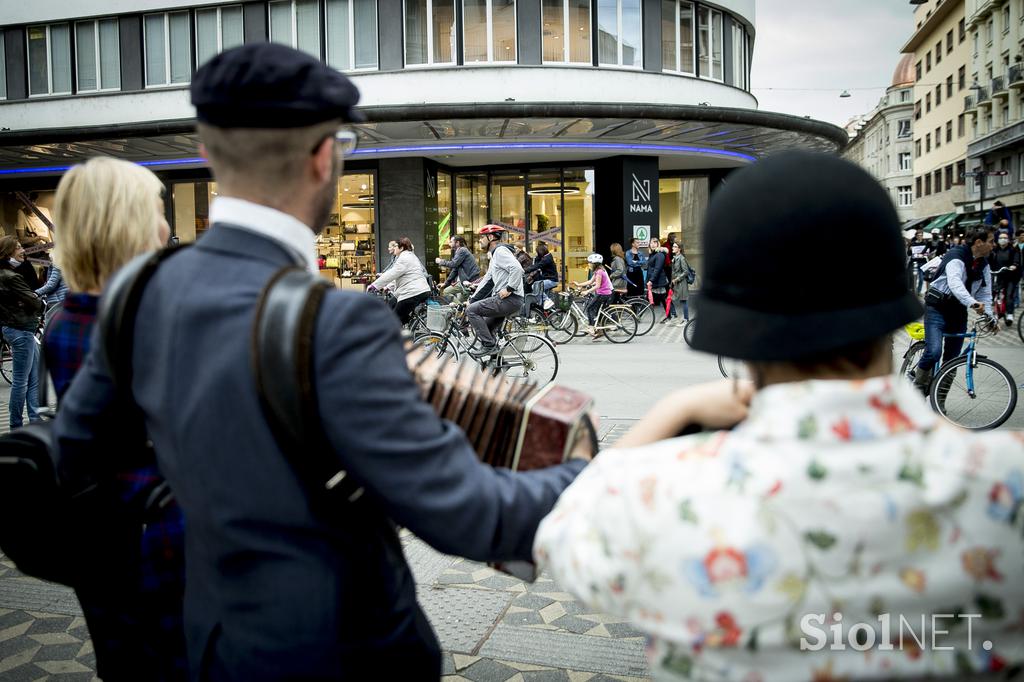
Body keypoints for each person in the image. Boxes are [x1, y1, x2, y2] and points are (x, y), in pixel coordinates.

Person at [54, 43, 590, 680]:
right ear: (323, 156)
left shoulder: (137, 292)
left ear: (206, 153)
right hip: (342, 653)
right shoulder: (337, 323)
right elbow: (470, 515)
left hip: (214, 640)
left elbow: (78, 458)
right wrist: (585, 465)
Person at [535, 151, 1024, 680]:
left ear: (739, 329)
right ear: (891, 302)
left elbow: (559, 528)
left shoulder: (657, 497)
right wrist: (938, 435)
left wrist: (672, 410)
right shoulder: (1007, 482)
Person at [44, 156, 184, 680]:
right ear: (127, 225)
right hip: (165, 546)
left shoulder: (66, 318)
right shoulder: (149, 321)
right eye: (156, 211)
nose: (167, 226)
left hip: (101, 545)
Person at [913, 227, 995, 393]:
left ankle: (939, 401)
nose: (993, 245)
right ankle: (918, 389)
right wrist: (972, 303)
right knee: (934, 352)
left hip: (958, 312)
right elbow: (955, 284)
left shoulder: (984, 264)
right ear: (979, 242)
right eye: (991, 241)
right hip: (937, 308)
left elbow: (985, 294)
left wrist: (990, 317)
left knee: (952, 361)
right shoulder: (956, 257)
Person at [0, 236, 43, 429]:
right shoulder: (11, 277)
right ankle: (16, 425)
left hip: (19, 328)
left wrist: (28, 299)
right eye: (17, 247)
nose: (22, 250)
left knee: (32, 379)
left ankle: (34, 419)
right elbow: (35, 301)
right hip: (21, 329)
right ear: (8, 252)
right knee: (21, 382)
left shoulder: (5, 274)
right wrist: (34, 300)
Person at [465, 224, 525, 355]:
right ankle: (497, 363)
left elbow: (517, 269)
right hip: (510, 300)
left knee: (471, 311)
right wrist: (473, 298)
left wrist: (509, 288)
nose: (479, 240)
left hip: (509, 299)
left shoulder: (500, 251)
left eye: (482, 237)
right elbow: (488, 280)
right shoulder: (495, 254)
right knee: (487, 328)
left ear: (490, 237)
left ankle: (489, 346)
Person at [368, 236, 430, 325]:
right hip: (414, 290)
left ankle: (399, 336)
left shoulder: (404, 258)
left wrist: (374, 285)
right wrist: (389, 287)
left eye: (396, 246)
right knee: (391, 305)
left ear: (401, 248)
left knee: (394, 319)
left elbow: (392, 274)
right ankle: (406, 331)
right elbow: (399, 275)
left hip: (413, 292)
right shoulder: (409, 256)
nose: (394, 248)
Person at [574, 253, 613, 337]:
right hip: (603, 293)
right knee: (595, 311)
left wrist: (587, 291)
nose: (589, 264)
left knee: (589, 308)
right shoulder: (598, 271)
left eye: (590, 263)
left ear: (594, 264)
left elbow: (597, 285)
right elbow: (590, 282)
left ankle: (591, 328)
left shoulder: (599, 272)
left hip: (603, 294)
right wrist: (579, 285)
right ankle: (599, 329)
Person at [988, 230, 1021, 325]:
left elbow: (1016, 260)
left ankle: (1010, 313)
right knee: (994, 295)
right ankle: (997, 312)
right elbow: (989, 260)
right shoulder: (994, 250)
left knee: (1009, 295)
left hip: (1010, 276)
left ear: (1008, 239)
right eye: (1001, 238)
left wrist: (1014, 265)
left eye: (1005, 238)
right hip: (998, 276)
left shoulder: (1013, 249)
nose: (1003, 240)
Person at [436, 235, 480, 302]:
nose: (449, 243)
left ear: (457, 243)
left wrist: (441, 261)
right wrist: (445, 283)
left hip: (469, 282)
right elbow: (455, 270)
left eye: (451, 242)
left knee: (448, 294)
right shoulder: (459, 251)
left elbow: (453, 264)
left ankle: (460, 308)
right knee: (446, 292)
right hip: (463, 282)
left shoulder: (462, 250)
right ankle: (460, 308)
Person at [523, 241, 558, 310]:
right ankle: (539, 314)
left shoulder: (547, 259)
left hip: (552, 280)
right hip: (547, 279)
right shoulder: (546, 256)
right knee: (540, 300)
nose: (537, 254)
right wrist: (537, 257)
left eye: (537, 252)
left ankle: (547, 300)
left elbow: (537, 266)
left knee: (535, 286)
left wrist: (524, 270)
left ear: (541, 252)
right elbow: (537, 263)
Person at [646, 237, 670, 323]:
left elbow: (657, 269)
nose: (652, 244)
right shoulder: (653, 254)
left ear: (658, 244)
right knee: (662, 299)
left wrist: (651, 280)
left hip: (659, 280)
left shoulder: (659, 254)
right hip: (656, 280)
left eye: (655, 243)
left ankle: (670, 315)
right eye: (651, 243)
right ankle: (670, 315)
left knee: (663, 298)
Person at [669, 241, 691, 325]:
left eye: (675, 247)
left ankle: (686, 320)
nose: (672, 248)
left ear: (679, 249)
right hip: (676, 283)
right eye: (673, 246)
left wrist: (677, 279)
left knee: (683, 301)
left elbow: (686, 272)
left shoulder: (681, 258)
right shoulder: (675, 257)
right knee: (669, 299)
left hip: (681, 284)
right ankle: (674, 316)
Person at [906, 228, 929, 294]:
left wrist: (925, 254)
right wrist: (910, 250)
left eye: (921, 235)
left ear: (922, 236)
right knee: (914, 279)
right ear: (916, 236)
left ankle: (918, 292)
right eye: (918, 235)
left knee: (921, 279)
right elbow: (908, 254)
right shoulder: (912, 244)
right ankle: (914, 292)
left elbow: (927, 253)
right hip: (914, 263)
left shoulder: (925, 243)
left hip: (922, 262)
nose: (920, 236)